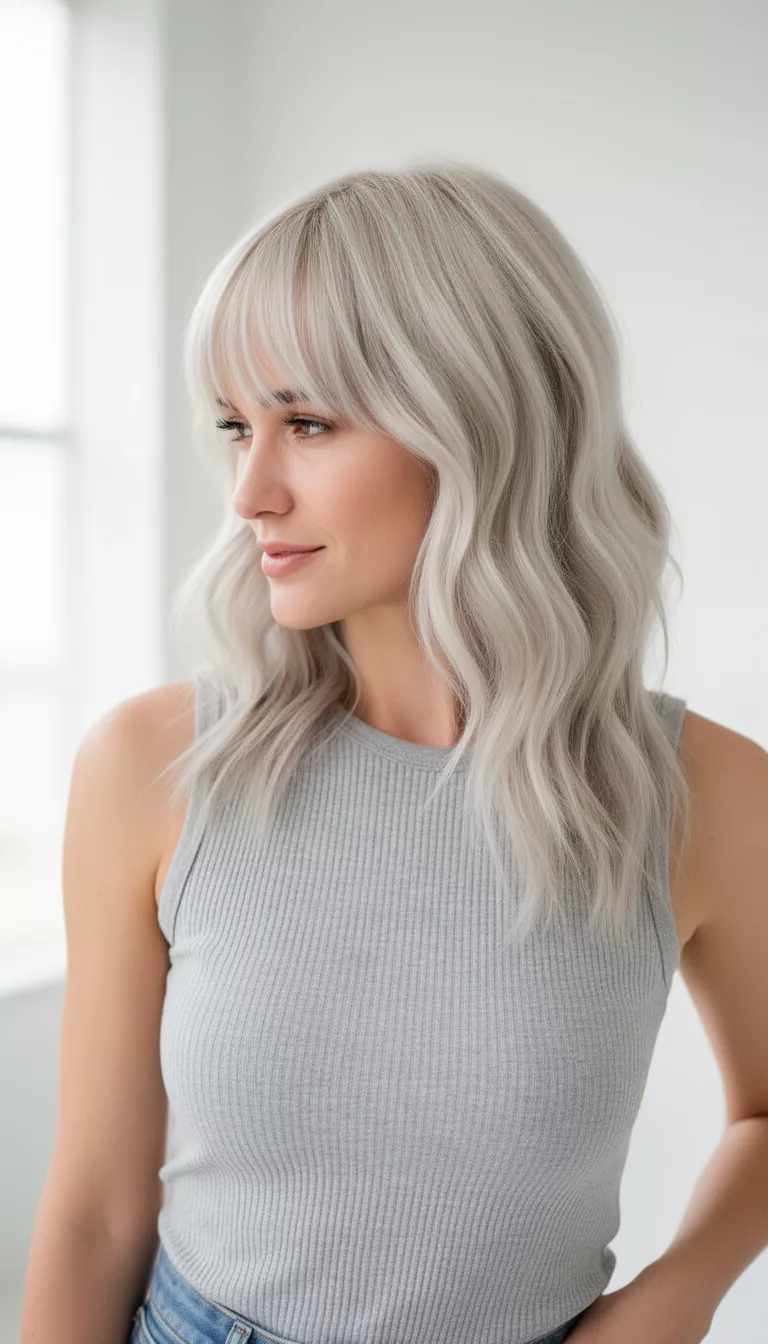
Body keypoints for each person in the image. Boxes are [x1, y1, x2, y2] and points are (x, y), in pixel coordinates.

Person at [20, 161, 768, 1344]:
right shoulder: (151, 767)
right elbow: (95, 1219)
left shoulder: (705, 796)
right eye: (235, 426)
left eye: (307, 423)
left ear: (482, 420)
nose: (252, 490)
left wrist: (673, 1301)